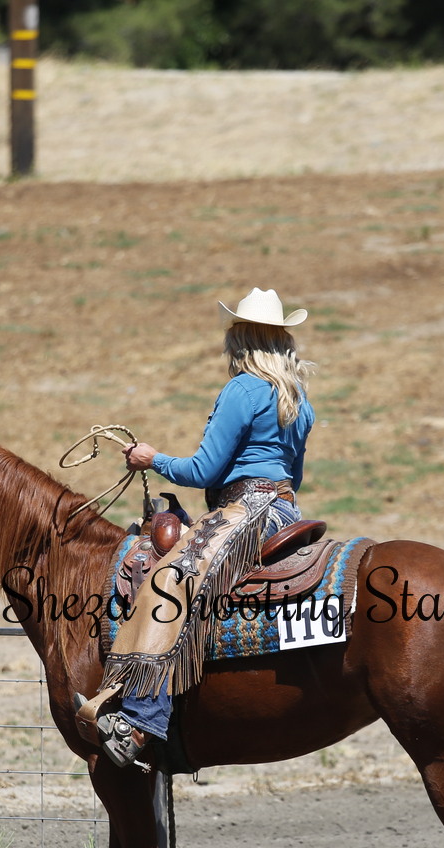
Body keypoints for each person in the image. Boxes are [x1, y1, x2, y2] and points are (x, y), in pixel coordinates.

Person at [79, 288, 317, 771]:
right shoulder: (297, 399)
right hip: (285, 510)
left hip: (249, 511)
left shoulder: (243, 390)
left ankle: (140, 721)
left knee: (171, 579)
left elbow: (204, 470)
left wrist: (152, 458)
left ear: (241, 339)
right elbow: (294, 476)